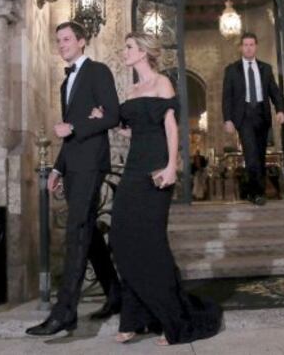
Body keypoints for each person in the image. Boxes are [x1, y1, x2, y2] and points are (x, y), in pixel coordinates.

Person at [92, 32, 222, 346]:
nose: (124, 52)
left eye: (128, 47)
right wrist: (105, 119)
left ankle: (172, 320)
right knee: (122, 239)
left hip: (156, 169)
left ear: (143, 52)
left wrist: (171, 166)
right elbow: (130, 131)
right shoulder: (132, 89)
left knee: (151, 244)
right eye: (124, 47)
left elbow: (170, 127)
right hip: (134, 169)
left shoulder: (162, 83)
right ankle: (135, 318)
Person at [25, 21, 122, 336]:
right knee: (87, 230)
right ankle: (116, 293)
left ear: (82, 42)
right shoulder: (66, 84)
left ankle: (65, 312)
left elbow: (112, 115)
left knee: (76, 231)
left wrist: (77, 126)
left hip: (92, 164)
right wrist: (57, 168)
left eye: (66, 39)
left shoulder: (99, 71)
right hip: (74, 164)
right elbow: (68, 135)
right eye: (58, 40)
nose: (61, 44)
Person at [222, 32, 284, 206]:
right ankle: (258, 193)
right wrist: (227, 119)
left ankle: (251, 191)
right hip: (243, 117)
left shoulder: (266, 68)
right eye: (245, 45)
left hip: (262, 115)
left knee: (259, 155)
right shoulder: (232, 69)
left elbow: (274, 90)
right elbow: (227, 96)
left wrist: (280, 110)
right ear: (240, 47)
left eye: (251, 44)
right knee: (250, 154)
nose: (249, 48)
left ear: (256, 46)